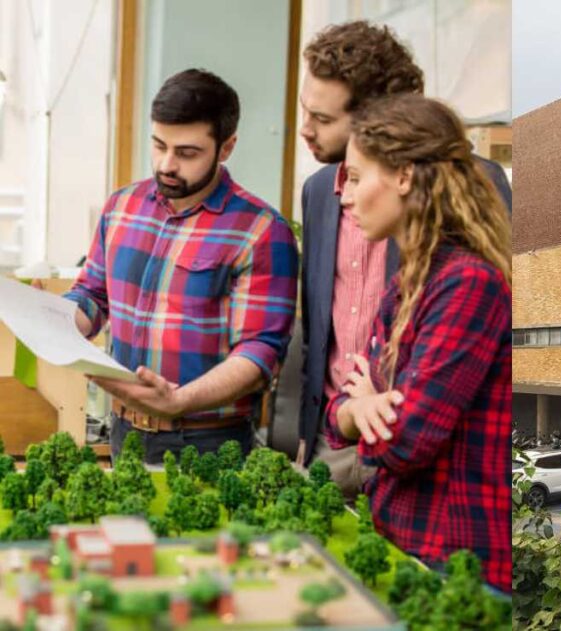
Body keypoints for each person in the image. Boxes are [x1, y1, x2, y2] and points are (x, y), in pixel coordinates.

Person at [293, 20, 511, 495]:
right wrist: (332, 423)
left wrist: (378, 413)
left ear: (378, 120)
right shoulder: (316, 193)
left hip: (429, 458)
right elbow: (317, 332)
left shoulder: (476, 191)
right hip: (334, 438)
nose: (305, 130)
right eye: (305, 111)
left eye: (324, 119)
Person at [325, 94, 511, 592]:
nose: (345, 197)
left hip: (458, 566)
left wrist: (364, 403)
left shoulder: (467, 284)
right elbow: (340, 410)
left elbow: (407, 441)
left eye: (358, 178)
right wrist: (357, 407)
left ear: (404, 176)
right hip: (406, 544)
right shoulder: (409, 283)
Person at [66, 69, 299, 464]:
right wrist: (55, 323)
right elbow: (93, 294)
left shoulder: (261, 230)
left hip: (208, 442)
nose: (167, 165)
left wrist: (178, 401)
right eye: (159, 145)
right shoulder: (122, 207)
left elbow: (260, 352)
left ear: (226, 148)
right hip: (125, 432)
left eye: (187, 153)